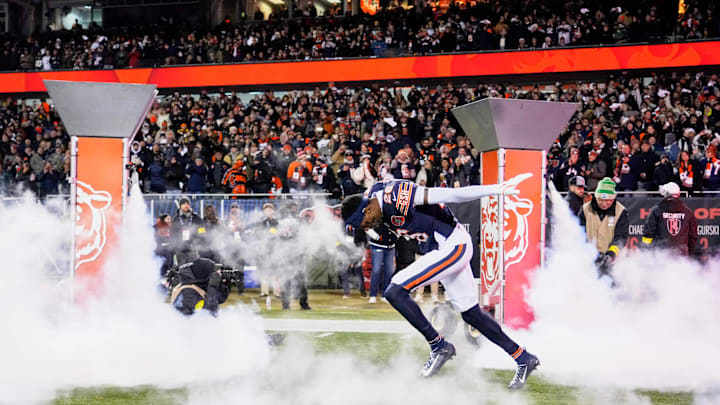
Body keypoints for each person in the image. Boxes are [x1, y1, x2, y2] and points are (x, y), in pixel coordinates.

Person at [341, 176, 539, 388]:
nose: (368, 227)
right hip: (441, 248)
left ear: (368, 210)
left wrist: (495, 189)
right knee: (472, 314)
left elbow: (450, 194)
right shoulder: (376, 207)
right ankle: (523, 358)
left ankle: (439, 346)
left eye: (364, 223)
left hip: (453, 244)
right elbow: (391, 235)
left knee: (395, 291)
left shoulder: (395, 196)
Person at [578, 178, 629, 279]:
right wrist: (589, 253)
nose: (604, 204)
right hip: (589, 260)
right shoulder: (585, 209)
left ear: (613, 199)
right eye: (600, 200)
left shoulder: (621, 211)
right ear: (596, 197)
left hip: (613, 262)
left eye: (608, 201)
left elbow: (621, 238)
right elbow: (579, 234)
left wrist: (610, 255)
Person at [641, 182, 698, 256]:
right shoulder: (688, 212)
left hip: (660, 255)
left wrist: (646, 252)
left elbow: (648, 232)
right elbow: (693, 236)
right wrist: (688, 254)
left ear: (666, 194)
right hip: (682, 256)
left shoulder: (656, 210)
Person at [278, 202, 311, 310]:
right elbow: (280, 237)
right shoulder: (283, 221)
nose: (294, 209)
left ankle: (302, 303)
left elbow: (304, 235)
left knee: (300, 280)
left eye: (295, 207)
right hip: (287, 253)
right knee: (287, 280)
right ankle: (286, 304)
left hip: (297, 253)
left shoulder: (298, 220)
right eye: (292, 208)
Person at [171, 197, 205, 265]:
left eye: (188, 204)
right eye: (184, 204)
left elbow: (202, 232)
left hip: (193, 248)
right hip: (180, 249)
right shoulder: (175, 219)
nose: (186, 205)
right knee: (182, 269)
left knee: (193, 268)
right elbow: (173, 233)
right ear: (180, 206)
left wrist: (198, 242)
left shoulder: (197, 218)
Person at [367, 225, 396, 303]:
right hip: (377, 246)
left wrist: (397, 236)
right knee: (376, 270)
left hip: (390, 246)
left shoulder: (395, 215)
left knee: (389, 271)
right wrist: (377, 237)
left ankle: (385, 295)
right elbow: (366, 226)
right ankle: (373, 295)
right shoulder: (376, 213)